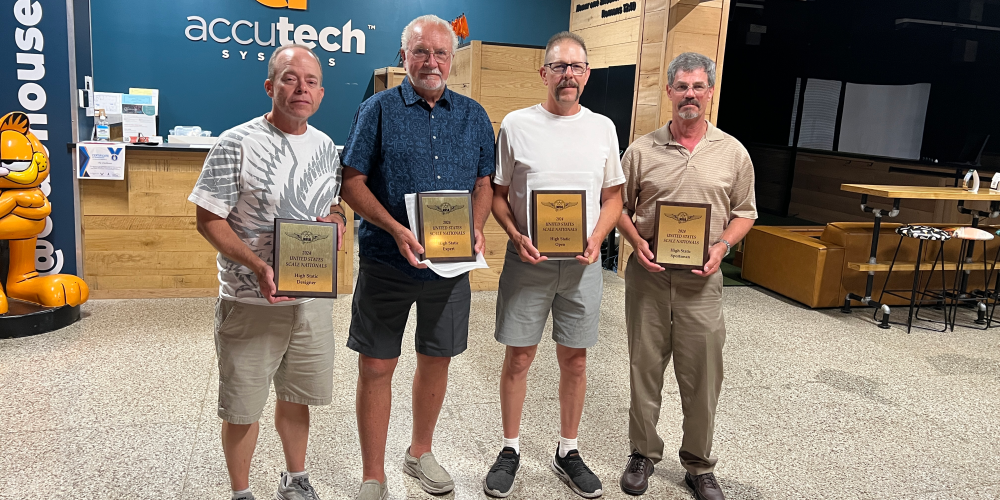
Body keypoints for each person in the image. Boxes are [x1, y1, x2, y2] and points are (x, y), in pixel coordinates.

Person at [338, 14, 495, 500]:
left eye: (441, 53)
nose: (432, 61)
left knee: (437, 360)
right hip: (387, 261)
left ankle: (419, 451)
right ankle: (373, 473)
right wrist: (395, 227)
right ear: (404, 56)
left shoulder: (473, 115)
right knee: (377, 365)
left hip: (450, 270)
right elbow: (351, 181)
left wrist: (475, 226)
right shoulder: (378, 109)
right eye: (421, 52)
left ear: (452, 58)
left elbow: (484, 184)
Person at [188, 44, 346, 500]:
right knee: (242, 408)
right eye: (290, 78)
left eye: (311, 81)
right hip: (249, 301)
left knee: (297, 397)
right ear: (270, 86)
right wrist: (256, 265)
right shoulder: (236, 142)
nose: (302, 88)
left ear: (321, 91)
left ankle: (296, 480)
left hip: (310, 303)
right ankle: (241, 492)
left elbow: (332, 206)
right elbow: (208, 218)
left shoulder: (325, 147)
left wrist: (335, 221)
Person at [483, 31, 624, 499]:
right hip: (529, 260)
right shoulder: (517, 125)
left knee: (575, 359)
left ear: (586, 75)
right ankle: (509, 449)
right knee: (519, 356)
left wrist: (599, 238)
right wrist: (516, 235)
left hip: (581, 266)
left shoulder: (603, 127)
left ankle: (568, 450)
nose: (568, 74)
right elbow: (500, 196)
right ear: (543, 72)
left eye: (577, 67)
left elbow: (613, 197)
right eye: (559, 66)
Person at [616, 52, 757, 500]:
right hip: (649, 276)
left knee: (703, 375)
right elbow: (616, 206)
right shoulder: (641, 150)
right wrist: (636, 243)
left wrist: (722, 246)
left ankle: (699, 464)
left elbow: (745, 213)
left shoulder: (733, 152)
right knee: (645, 368)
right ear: (670, 91)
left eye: (698, 87)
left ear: (710, 92)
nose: (690, 95)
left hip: (703, 280)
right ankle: (643, 453)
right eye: (682, 87)